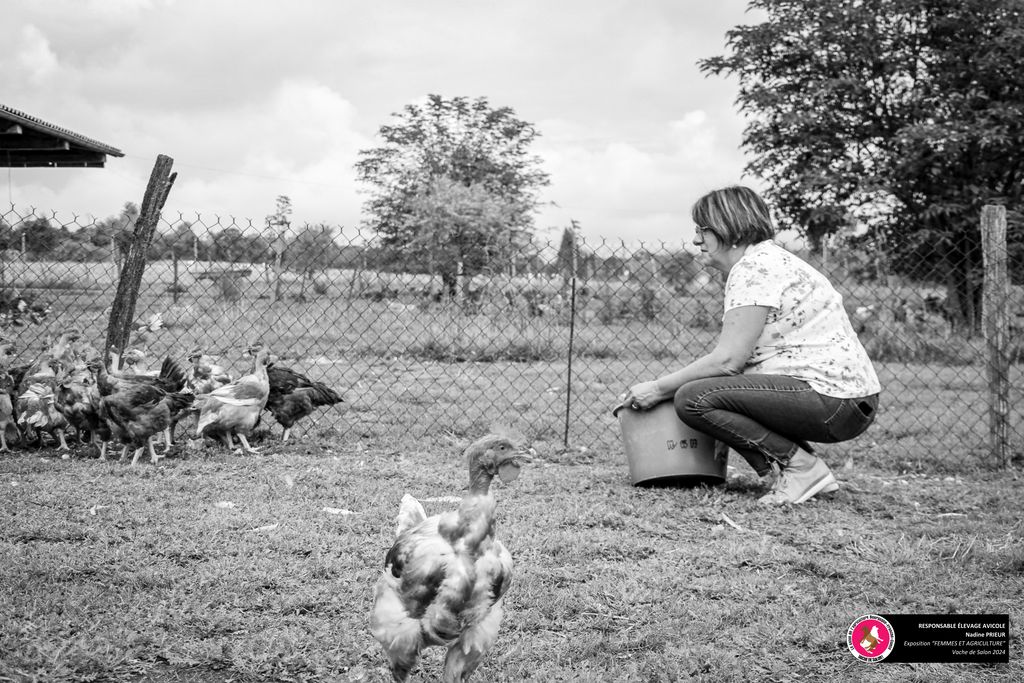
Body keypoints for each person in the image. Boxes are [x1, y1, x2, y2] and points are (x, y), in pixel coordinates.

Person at [622, 186, 880, 505]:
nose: (696, 240)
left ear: (729, 226)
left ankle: (802, 467)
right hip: (845, 398)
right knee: (703, 391)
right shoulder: (765, 261)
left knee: (693, 397)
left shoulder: (754, 268)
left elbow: (728, 361)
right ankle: (809, 472)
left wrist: (659, 388)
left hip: (833, 400)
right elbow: (736, 367)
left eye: (702, 229)